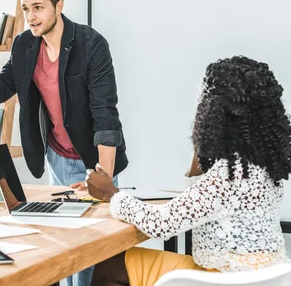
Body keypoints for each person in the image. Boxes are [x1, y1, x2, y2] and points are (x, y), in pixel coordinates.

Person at [0, 0, 128, 285]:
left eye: (39, 7)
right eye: (26, 8)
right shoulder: (24, 45)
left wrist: (104, 179)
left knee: (90, 251)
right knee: (62, 244)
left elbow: (105, 115)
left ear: (59, 6)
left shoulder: (91, 44)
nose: (31, 16)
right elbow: (0, 91)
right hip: (57, 156)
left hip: (94, 159)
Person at [87, 56, 291, 286]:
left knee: (110, 265)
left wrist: (111, 193)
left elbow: (162, 223)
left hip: (226, 277)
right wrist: (204, 143)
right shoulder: (261, 164)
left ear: (217, 113)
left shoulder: (228, 175)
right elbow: (204, 198)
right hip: (265, 275)